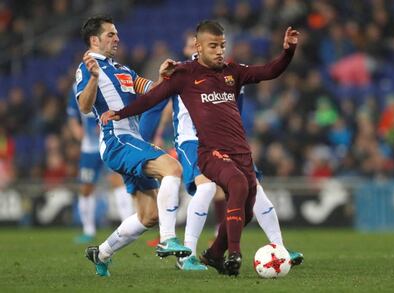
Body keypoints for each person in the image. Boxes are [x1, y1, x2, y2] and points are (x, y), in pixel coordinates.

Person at [102, 20, 299, 276]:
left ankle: (221, 253)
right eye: (214, 46)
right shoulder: (182, 73)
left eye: (223, 46)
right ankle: (203, 254)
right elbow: (152, 99)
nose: (220, 51)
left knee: (248, 204)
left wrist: (288, 51)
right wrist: (121, 113)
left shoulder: (232, 71)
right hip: (198, 145)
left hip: (237, 148)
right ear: (198, 46)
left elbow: (270, 70)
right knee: (216, 187)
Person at [76, 15, 191, 277]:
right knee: (172, 168)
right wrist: (94, 78)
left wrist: (163, 78)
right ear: (95, 40)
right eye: (110, 34)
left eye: (116, 33)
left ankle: (102, 252)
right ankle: (169, 239)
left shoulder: (124, 70)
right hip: (117, 140)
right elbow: (84, 107)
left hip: (134, 141)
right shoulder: (87, 68)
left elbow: (151, 91)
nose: (117, 38)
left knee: (148, 215)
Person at [67, 85, 134, 244]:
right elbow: (72, 113)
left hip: (111, 144)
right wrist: (76, 129)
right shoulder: (77, 87)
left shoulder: (109, 83)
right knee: (86, 188)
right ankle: (88, 230)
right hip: (90, 148)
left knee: (117, 181)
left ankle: (128, 227)